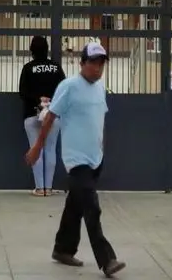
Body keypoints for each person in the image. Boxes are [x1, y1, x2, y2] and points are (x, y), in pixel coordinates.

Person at [25, 41, 126, 278]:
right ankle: (107, 260)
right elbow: (50, 117)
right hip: (76, 159)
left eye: (101, 63)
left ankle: (63, 249)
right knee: (92, 207)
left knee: (76, 205)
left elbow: (99, 120)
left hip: (95, 158)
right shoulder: (69, 86)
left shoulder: (100, 88)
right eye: (93, 62)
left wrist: (102, 146)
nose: (98, 68)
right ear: (82, 63)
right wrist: (38, 147)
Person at [18, 36, 66, 196]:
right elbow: (64, 91)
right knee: (50, 150)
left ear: (31, 50)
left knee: (35, 148)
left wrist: (38, 100)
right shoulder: (56, 68)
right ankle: (49, 188)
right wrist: (50, 103)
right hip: (53, 115)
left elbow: (23, 92)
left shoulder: (28, 68)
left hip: (32, 114)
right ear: (47, 50)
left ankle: (39, 188)